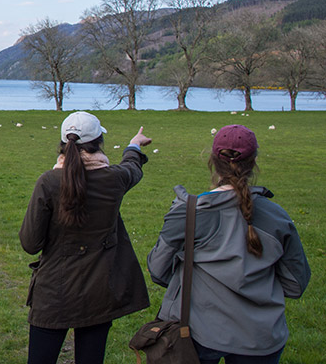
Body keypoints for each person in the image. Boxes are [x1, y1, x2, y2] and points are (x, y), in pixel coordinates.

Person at [147, 124, 310, 364]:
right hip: (261, 336)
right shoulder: (277, 217)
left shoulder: (189, 213)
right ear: (253, 163)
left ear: (212, 161)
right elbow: (295, 284)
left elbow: (158, 271)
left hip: (197, 332)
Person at [19, 111, 152, 364]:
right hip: (98, 292)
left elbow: (30, 243)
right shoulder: (114, 179)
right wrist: (134, 144)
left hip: (53, 294)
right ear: (99, 142)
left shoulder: (48, 182)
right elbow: (132, 167)